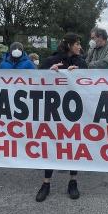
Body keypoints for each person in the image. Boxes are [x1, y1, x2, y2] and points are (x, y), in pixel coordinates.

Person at [36, 33, 88, 202]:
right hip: (53, 111)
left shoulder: (80, 62)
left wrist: (79, 75)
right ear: (68, 45)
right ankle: (46, 183)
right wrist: (49, 73)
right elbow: (36, 80)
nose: (80, 47)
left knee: (73, 145)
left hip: (74, 112)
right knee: (51, 145)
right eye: (77, 44)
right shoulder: (51, 61)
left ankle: (73, 181)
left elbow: (91, 82)